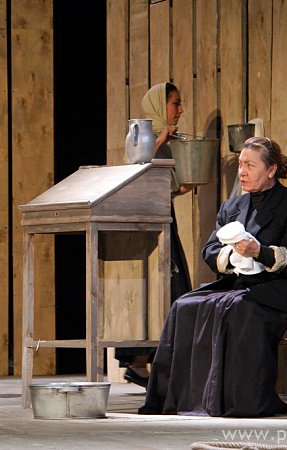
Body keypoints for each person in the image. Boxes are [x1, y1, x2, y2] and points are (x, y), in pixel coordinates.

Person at [139, 137, 287, 417]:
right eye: (240, 165)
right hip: (241, 285)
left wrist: (259, 251)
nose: (242, 172)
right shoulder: (232, 207)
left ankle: (240, 401)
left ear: (271, 170)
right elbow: (210, 250)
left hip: (284, 288)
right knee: (184, 305)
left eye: (250, 165)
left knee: (239, 307)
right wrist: (232, 256)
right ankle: (183, 399)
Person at [116, 82, 192, 387]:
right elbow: (134, 174)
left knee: (172, 290)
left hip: (163, 218)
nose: (180, 110)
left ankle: (153, 366)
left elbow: (160, 186)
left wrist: (181, 188)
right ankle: (140, 364)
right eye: (175, 103)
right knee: (154, 290)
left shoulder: (168, 140)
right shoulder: (141, 136)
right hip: (145, 227)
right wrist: (160, 139)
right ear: (161, 106)